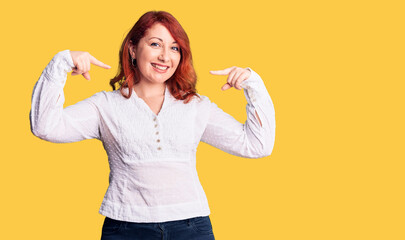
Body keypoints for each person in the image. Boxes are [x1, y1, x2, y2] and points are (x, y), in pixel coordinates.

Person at [29, 10, 276, 240]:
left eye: (175, 48)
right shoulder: (105, 106)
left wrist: (253, 86)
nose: (165, 56)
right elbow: (45, 127)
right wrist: (61, 63)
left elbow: (257, 145)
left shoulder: (196, 106)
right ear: (133, 49)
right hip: (125, 228)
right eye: (155, 44)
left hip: (191, 227)